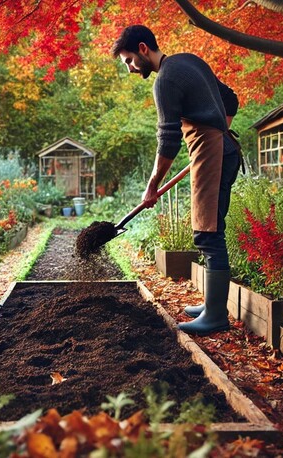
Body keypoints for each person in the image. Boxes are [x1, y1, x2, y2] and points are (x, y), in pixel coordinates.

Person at [111, 25, 241, 336]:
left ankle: (216, 316)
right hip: (219, 150)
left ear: (143, 48)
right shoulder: (189, 61)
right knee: (209, 231)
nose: (130, 69)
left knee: (209, 234)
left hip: (214, 155)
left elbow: (168, 140)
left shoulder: (165, 80)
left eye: (129, 60)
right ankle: (213, 305)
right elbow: (230, 99)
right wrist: (219, 133)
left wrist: (153, 183)